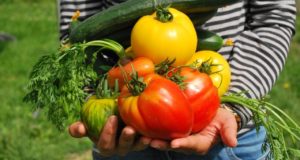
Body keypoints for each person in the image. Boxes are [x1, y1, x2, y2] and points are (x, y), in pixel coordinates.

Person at [58, 0, 296, 159]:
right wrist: (97, 101)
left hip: (229, 136)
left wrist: (234, 107)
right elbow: (79, 32)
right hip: (125, 126)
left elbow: (273, 18)